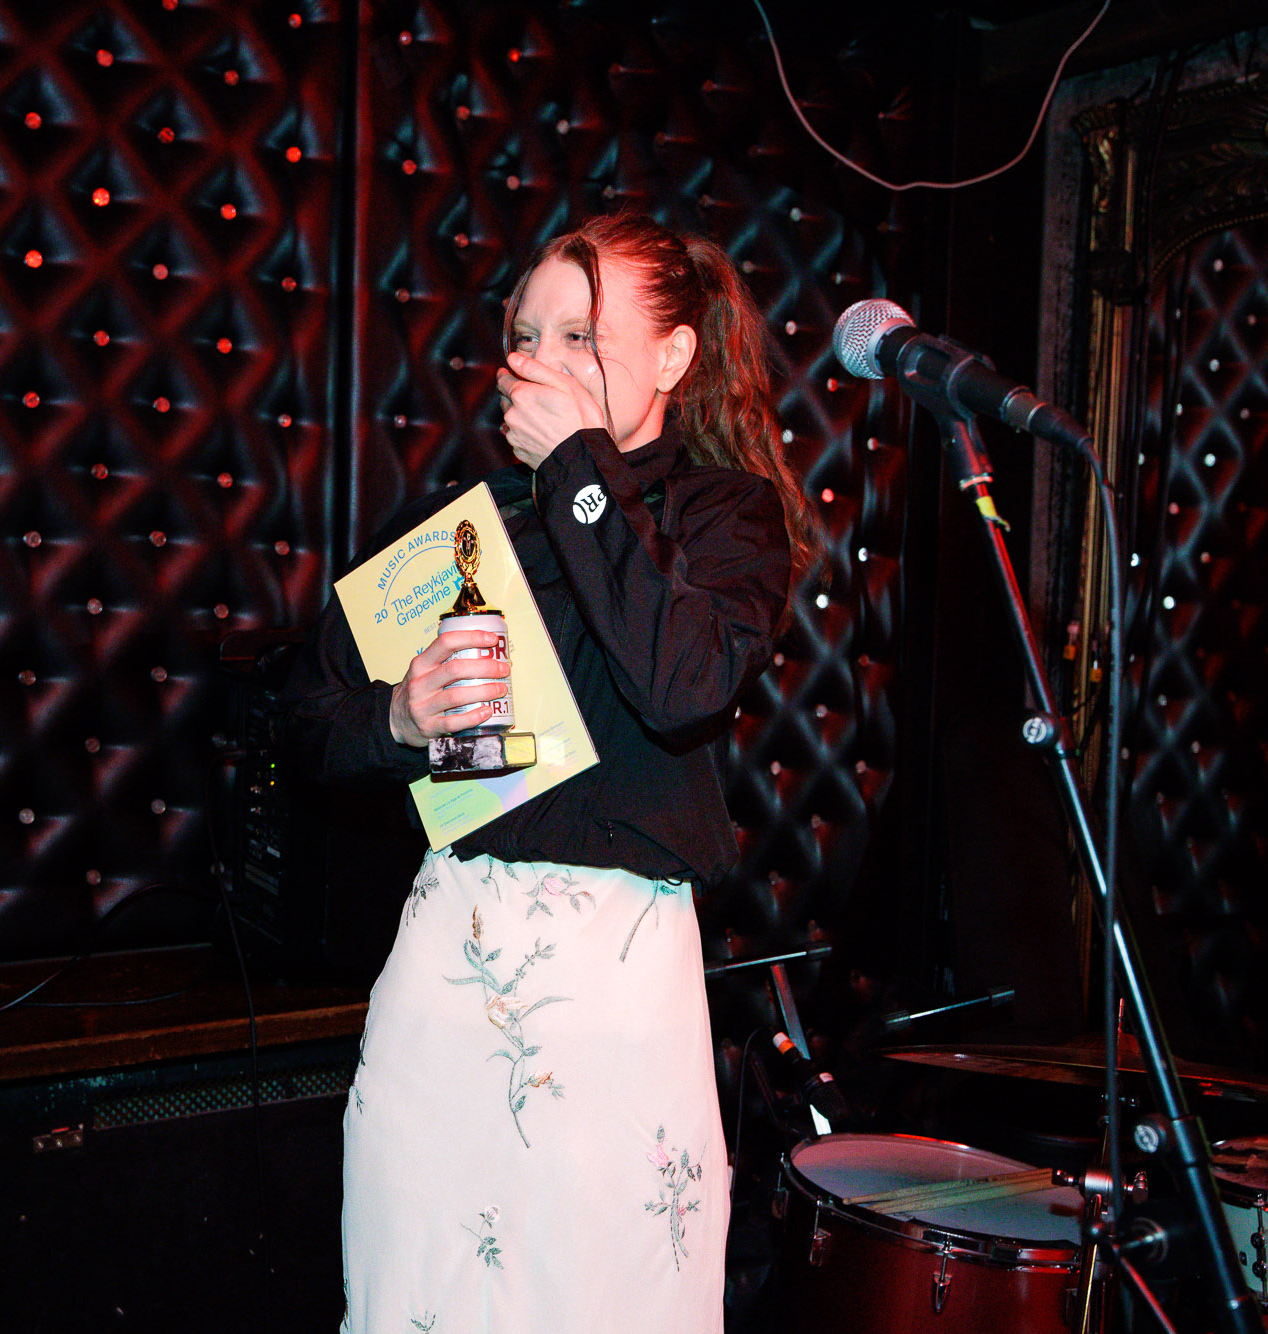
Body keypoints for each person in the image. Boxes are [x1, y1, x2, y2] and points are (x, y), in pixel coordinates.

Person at [280, 212, 815, 1333]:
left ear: (671, 357)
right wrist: (397, 717)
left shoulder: (723, 513)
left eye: (581, 337)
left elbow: (681, 685)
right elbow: (304, 718)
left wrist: (577, 468)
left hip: (609, 982)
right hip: (446, 963)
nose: (540, 362)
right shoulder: (460, 525)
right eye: (526, 336)